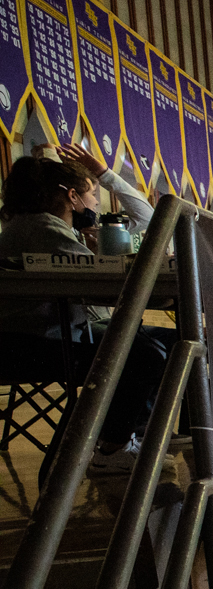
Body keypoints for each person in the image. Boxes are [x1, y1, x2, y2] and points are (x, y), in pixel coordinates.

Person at [0, 149, 170, 477]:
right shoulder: (44, 229)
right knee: (145, 355)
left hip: (31, 340)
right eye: (93, 195)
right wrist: (99, 258)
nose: (95, 204)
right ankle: (112, 448)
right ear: (72, 196)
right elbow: (102, 290)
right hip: (32, 347)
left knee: (156, 344)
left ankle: (127, 435)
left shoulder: (29, 226)